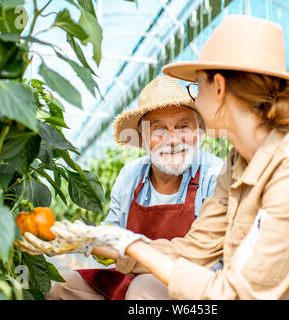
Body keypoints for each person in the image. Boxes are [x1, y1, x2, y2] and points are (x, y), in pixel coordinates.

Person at [17, 15, 289, 299]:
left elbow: (237, 294)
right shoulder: (238, 164)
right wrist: (101, 239)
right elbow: (193, 249)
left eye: (195, 84)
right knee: (142, 291)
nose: (193, 96)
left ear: (218, 87)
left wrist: (129, 245)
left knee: (147, 294)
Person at [45, 76, 223, 300]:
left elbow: (204, 255)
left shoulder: (213, 175)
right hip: (130, 274)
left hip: (187, 281)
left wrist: (128, 252)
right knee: (63, 285)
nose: (173, 140)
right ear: (142, 138)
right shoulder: (130, 175)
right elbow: (113, 230)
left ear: (197, 130)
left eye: (183, 127)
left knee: (143, 288)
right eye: (159, 131)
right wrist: (89, 238)